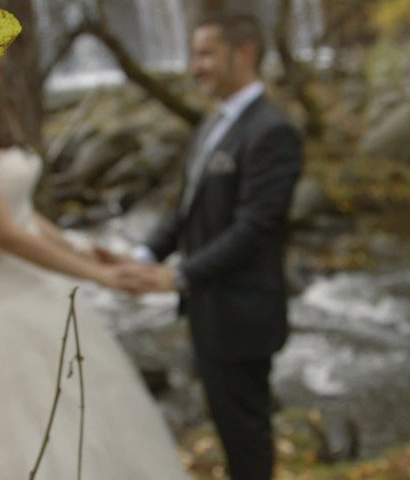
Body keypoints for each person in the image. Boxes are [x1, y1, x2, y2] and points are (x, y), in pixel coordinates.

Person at [0, 63, 187, 479]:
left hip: (41, 294)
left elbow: (25, 216)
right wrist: (97, 276)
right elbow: (6, 235)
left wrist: (84, 250)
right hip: (0, 312)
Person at [126, 12, 303, 480]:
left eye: (205, 53)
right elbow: (185, 212)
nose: (195, 66)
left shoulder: (272, 131)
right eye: (194, 54)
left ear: (243, 54)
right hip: (207, 309)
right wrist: (143, 258)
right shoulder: (211, 126)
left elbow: (256, 228)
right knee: (228, 427)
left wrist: (180, 275)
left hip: (243, 316)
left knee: (247, 437)